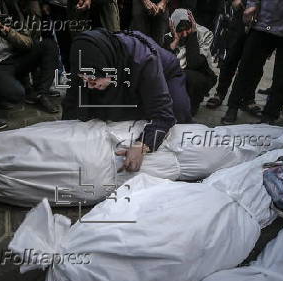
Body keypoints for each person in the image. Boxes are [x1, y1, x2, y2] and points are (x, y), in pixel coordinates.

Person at [62, 28, 193, 171]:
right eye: (84, 78)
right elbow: (72, 102)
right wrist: (67, 136)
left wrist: (142, 145)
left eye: (94, 80)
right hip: (124, 78)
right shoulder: (85, 62)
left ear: (107, 67)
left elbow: (163, 115)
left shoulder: (143, 59)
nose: (90, 85)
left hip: (166, 74)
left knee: (177, 114)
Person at [206, 0, 260, 117]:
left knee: (256, 64)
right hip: (240, 17)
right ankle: (220, 93)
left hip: (264, 21)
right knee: (230, 58)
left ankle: (248, 98)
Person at [164, 9, 217, 116]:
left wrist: (192, 35)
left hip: (201, 74)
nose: (184, 35)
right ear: (173, 27)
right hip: (178, 74)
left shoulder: (205, 34)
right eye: (180, 31)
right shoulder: (168, 37)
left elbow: (194, 63)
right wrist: (175, 42)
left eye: (186, 29)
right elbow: (164, 65)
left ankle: (192, 105)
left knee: (188, 76)